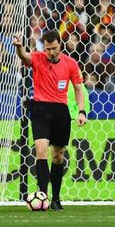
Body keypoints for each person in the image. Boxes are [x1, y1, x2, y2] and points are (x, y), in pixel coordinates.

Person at [13, 30, 86, 211]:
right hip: (40, 109)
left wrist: (82, 111)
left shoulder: (71, 63)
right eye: (47, 49)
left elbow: (78, 89)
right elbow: (24, 56)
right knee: (41, 150)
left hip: (61, 111)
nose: (51, 52)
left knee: (58, 156)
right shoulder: (38, 58)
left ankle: (56, 199)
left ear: (60, 44)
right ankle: (43, 196)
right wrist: (19, 48)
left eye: (53, 48)